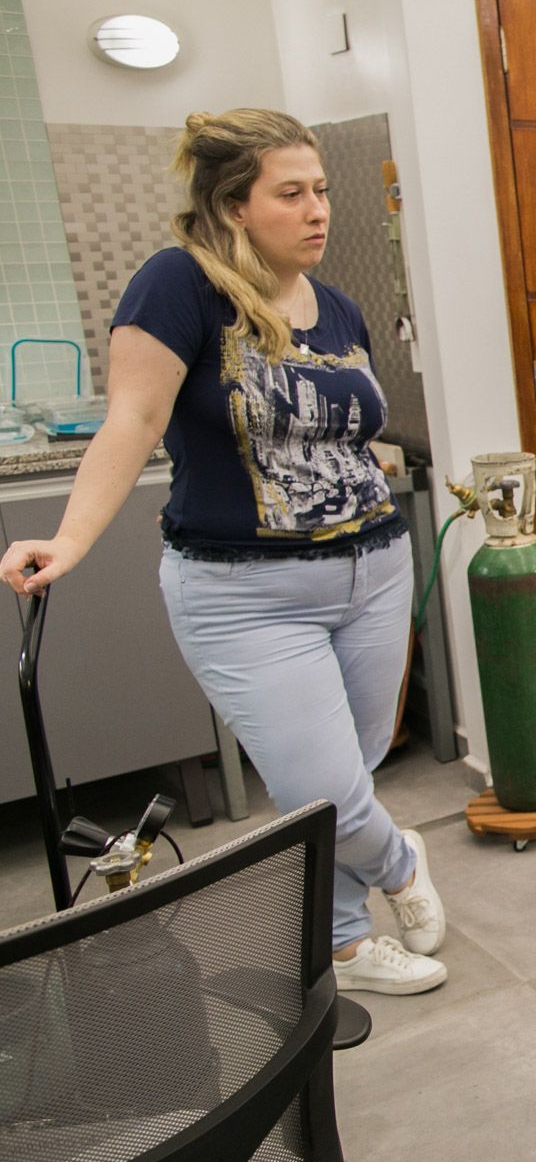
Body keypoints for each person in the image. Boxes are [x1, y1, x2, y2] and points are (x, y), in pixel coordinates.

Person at [0, 109, 450, 995]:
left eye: (321, 190)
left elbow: (344, 432)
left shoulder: (337, 303)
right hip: (244, 590)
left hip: (372, 570)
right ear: (233, 205)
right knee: (321, 789)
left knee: (346, 774)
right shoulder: (180, 285)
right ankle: (399, 860)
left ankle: (345, 943)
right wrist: (72, 536)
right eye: (291, 194)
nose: (317, 209)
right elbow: (132, 418)